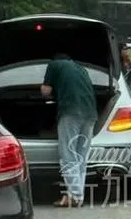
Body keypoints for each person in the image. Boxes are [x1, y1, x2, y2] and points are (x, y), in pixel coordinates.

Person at [41, 53, 98, 208]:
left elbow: (45, 91)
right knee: (81, 156)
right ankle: (76, 195)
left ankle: (76, 195)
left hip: (71, 112)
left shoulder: (54, 65)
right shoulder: (81, 69)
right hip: (91, 114)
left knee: (68, 154)